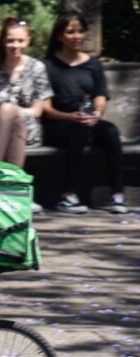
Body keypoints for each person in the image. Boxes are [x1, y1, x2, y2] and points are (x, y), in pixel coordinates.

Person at [42, 10, 128, 215]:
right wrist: (71, 117)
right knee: (76, 131)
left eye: (80, 31)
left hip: (87, 119)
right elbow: (45, 107)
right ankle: (67, 196)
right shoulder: (47, 66)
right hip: (59, 123)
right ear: (60, 35)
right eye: (71, 32)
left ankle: (117, 194)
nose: (76, 37)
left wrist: (96, 113)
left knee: (110, 132)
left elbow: (100, 96)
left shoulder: (93, 64)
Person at [0, 17, 52, 213]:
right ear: (3, 41)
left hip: (28, 129)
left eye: (20, 41)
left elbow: (37, 110)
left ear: (28, 40)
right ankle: (16, 192)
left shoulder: (36, 68)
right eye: (10, 40)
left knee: (10, 113)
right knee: (10, 119)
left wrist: (2, 112)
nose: (15, 45)